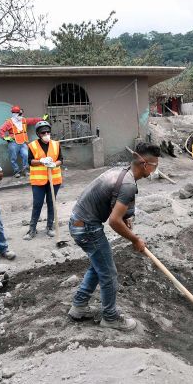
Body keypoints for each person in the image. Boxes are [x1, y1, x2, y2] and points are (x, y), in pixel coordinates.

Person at [67, 142, 162, 332]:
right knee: (109, 273)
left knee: (98, 266)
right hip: (87, 228)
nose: (155, 170)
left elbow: (112, 200)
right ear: (146, 165)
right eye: (155, 165)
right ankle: (110, 317)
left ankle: (78, 307)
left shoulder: (123, 172)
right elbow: (113, 221)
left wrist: (125, 217)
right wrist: (135, 239)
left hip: (79, 222)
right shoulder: (128, 185)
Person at [24, 121, 62, 240]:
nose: (46, 134)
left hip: (54, 180)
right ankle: (32, 229)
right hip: (38, 181)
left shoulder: (56, 144)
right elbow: (30, 161)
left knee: (51, 203)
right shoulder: (32, 145)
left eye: (48, 132)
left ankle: (49, 227)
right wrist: (41, 161)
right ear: (38, 134)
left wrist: (54, 164)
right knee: (37, 204)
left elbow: (61, 159)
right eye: (43, 133)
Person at [0, 105, 47, 178]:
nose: (21, 115)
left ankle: (25, 170)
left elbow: (33, 120)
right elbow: (1, 130)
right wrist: (5, 138)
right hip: (13, 143)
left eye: (21, 114)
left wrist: (42, 119)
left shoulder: (23, 120)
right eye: (20, 114)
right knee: (13, 158)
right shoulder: (9, 122)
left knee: (26, 155)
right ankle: (16, 171)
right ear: (14, 114)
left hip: (23, 142)